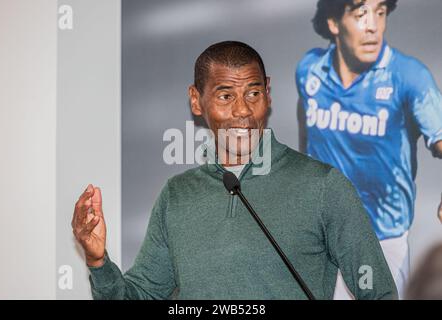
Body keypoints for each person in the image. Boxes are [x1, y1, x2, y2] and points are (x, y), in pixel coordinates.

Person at [72, 41, 397, 299]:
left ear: (267, 94)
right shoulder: (177, 195)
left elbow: (378, 292)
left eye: (253, 93)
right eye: (225, 95)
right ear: (196, 100)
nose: (242, 110)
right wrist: (98, 261)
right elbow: (140, 296)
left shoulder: (323, 186)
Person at [295, 0, 442, 299]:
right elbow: (306, 130)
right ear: (334, 23)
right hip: (326, 240)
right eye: (361, 13)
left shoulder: (409, 76)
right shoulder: (309, 70)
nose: (373, 25)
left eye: (380, 12)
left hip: (384, 242)